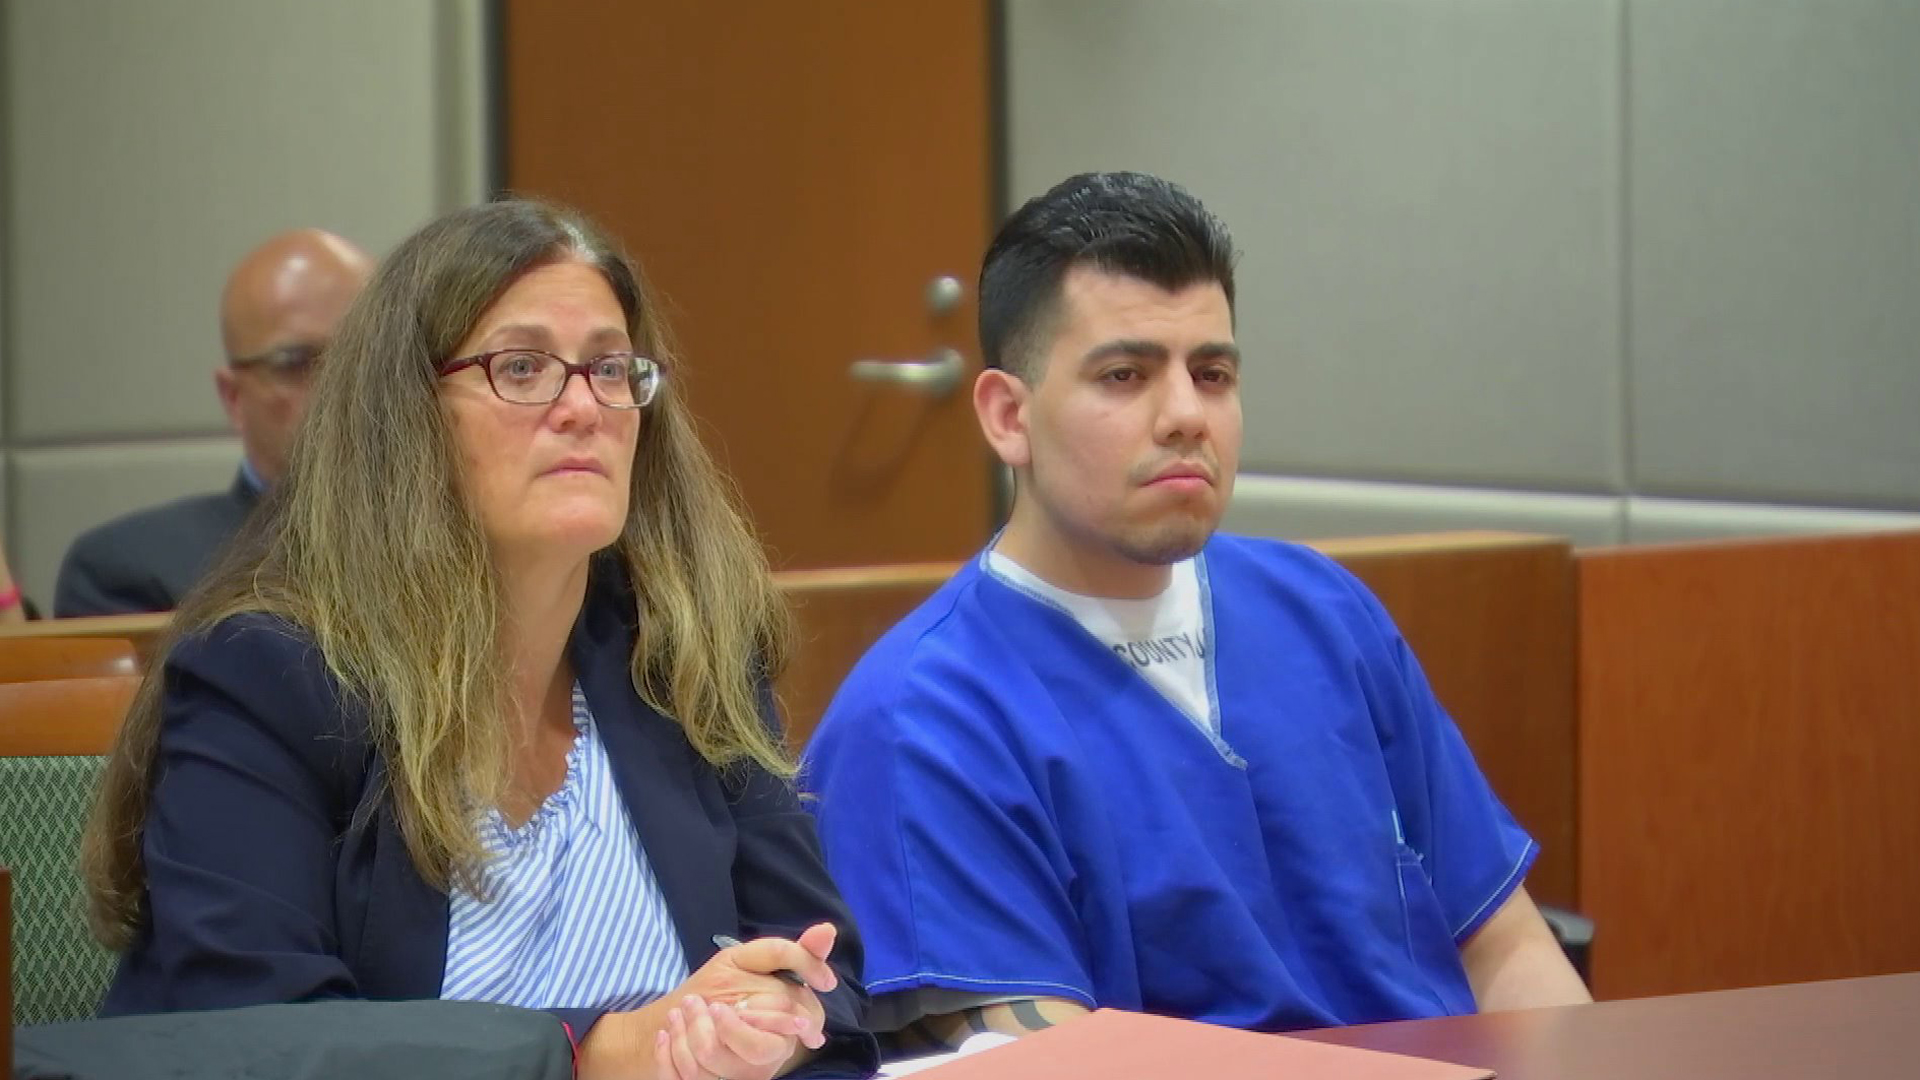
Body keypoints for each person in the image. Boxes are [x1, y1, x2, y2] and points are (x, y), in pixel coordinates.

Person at [81, 200, 879, 1080]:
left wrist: (770, 1017)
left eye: (611, 369)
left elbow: (827, 977)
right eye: (524, 367)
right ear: (408, 418)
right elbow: (258, 1037)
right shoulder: (269, 676)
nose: (584, 408)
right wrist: (600, 1054)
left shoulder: (686, 655)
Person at [802, 171, 1592, 1051]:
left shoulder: (1324, 612)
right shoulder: (925, 721)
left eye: (1212, 373)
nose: (1186, 415)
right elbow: (1057, 1064)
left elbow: (1506, 947)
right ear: (1007, 417)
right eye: (1125, 375)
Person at [53, 229, 374, 616]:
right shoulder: (133, 571)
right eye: (297, 363)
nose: (340, 386)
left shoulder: (451, 542)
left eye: (362, 354)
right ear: (233, 397)